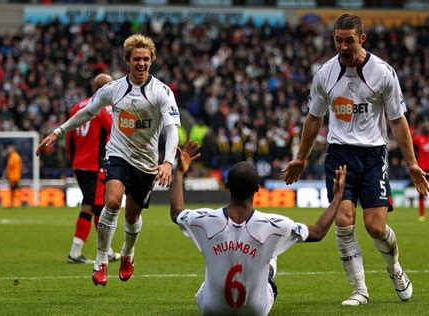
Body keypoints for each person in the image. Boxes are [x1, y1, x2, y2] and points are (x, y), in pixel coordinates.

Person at [283, 14, 429, 306]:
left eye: (349, 40)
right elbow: (314, 119)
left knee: (375, 227)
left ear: (361, 39)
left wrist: (412, 163)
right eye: (338, 40)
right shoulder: (324, 73)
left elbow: (397, 121)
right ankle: (359, 289)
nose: (343, 46)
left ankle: (395, 268)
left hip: (374, 155)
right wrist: (301, 157)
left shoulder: (383, 72)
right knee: (343, 221)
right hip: (339, 154)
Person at [36, 34, 181, 286]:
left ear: (152, 60)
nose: (142, 63)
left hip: (146, 162)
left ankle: (127, 253)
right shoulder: (113, 89)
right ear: (128, 60)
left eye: (146, 59)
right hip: (117, 154)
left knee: (132, 217)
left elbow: (172, 130)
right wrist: (58, 132)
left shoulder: (162, 92)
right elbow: (86, 113)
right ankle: (101, 260)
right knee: (111, 202)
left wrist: (167, 161)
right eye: (137, 58)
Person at [170, 140, 347, 316]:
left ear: (227, 186)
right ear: (257, 189)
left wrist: (179, 172)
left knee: (210, 276)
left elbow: (176, 212)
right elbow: (317, 232)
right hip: (256, 310)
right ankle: (269, 268)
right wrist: (337, 197)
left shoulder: (204, 219)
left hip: (212, 309)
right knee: (271, 257)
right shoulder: (275, 224)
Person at [66, 73, 121, 264]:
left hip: (79, 164)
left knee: (97, 207)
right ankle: (75, 252)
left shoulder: (75, 107)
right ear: (105, 89)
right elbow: (115, 132)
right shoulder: (103, 109)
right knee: (93, 207)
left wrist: (73, 161)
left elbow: (68, 139)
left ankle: (109, 251)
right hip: (95, 166)